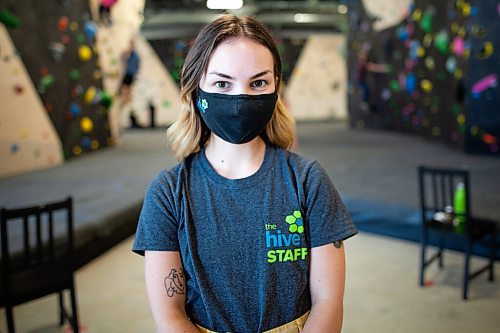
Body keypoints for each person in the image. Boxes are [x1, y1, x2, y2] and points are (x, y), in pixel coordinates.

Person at [132, 14, 357, 333]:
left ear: (276, 87)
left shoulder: (307, 180)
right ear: (197, 89)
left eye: (258, 83)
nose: (241, 100)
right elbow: (170, 316)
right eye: (222, 83)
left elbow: (329, 303)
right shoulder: (169, 192)